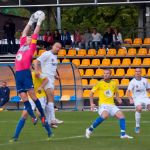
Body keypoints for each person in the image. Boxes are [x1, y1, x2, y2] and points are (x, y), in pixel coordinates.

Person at [15, 11, 46, 125]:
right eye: (27, 38)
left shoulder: (31, 47)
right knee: (24, 98)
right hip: (18, 74)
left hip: (25, 73)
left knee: (33, 97)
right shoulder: (22, 45)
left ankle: (42, 115)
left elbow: (35, 34)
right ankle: (33, 117)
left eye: (29, 38)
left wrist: (38, 22)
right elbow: (24, 33)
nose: (27, 37)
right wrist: (30, 22)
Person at [85, 69, 133, 139]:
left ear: (110, 75)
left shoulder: (113, 83)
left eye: (107, 73)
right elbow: (91, 93)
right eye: (104, 73)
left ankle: (123, 134)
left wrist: (118, 99)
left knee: (121, 116)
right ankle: (89, 129)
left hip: (112, 105)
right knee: (105, 115)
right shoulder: (99, 83)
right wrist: (91, 103)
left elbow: (116, 93)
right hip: (103, 105)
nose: (105, 74)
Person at [10, 65, 52, 142]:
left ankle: (49, 132)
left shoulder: (35, 73)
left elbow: (46, 80)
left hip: (40, 96)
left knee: (39, 114)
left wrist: (40, 87)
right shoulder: (25, 76)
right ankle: (15, 136)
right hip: (31, 97)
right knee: (24, 115)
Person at [34, 42, 63, 127]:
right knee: (51, 99)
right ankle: (53, 119)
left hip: (51, 79)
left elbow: (49, 67)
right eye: (57, 46)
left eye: (59, 48)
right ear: (52, 46)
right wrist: (36, 71)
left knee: (48, 100)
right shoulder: (47, 54)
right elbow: (36, 61)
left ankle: (49, 121)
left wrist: (55, 75)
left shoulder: (55, 56)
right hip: (46, 79)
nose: (58, 49)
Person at [126, 68, 150, 134]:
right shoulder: (132, 82)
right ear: (135, 72)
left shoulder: (145, 80)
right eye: (136, 71)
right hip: (136, 98)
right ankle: (137, 126)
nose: (137, 72)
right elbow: (128, 92)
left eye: (139, 71)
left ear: (141, 72)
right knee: (139, 108)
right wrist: (130, 99)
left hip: (145, 97)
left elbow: (148, 89)